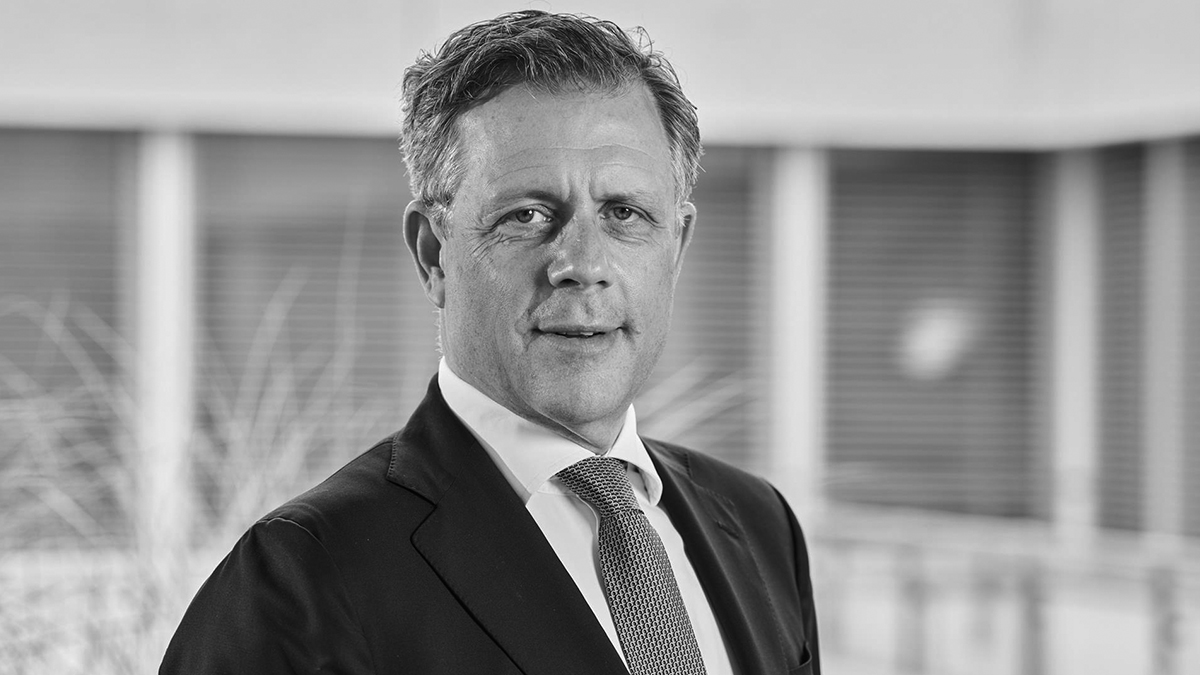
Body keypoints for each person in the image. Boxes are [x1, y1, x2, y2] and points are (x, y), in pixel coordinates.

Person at [161, 10, 819, 675]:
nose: (582, 264)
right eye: (526, 215)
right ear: (433, 254)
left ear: (675, 246)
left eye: (624, 213)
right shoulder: (302, 578)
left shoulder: (760, 528)